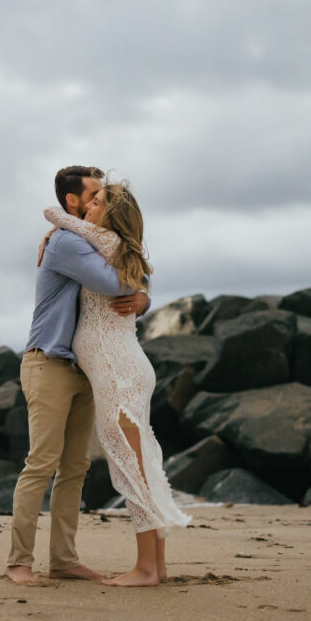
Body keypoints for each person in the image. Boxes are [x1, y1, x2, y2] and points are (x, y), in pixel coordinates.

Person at [5, 166, 150, 586]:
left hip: (83, 368)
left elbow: (128, 275)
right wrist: (137, 291)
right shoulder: (67, 242)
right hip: (48, 362)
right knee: (41, 463)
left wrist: (144, 297)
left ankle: (64, 560)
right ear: (74, 201)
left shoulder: (82, 237)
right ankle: (18, 561)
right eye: (92, 195)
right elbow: (113, 283)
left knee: (75, 468)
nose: (96, 202)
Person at [43, 179, 191, 587]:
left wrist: (58, 226)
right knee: (140, 465)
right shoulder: (123, 247)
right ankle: (156, 566)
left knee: (131, 468)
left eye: (97, 200)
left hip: (116, 367)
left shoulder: (102, 239)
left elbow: (52, 212)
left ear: (111, 214)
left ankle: (145, 568)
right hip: (125, 365)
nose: (88, 205)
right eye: (90, 198)